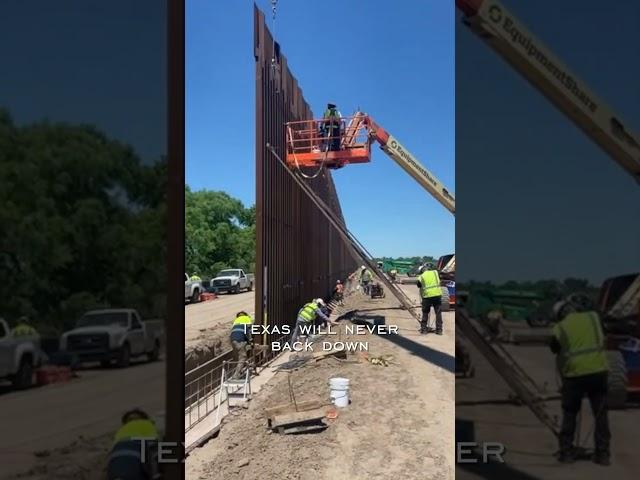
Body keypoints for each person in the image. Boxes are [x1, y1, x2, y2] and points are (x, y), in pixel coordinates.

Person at [550, 296, 610, 465]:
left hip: (574, 375)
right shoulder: (593, 317)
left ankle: (567, 453)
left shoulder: (559, 327)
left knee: (570, 414)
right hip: (598, 372)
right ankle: (603, 454)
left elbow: (554, 348)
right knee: (600, 414)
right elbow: (603, 333)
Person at [107, 408, 160, 480]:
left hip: (118, 458)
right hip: (133, 454)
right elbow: (153, 444)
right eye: (131, 419)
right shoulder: (147, 424)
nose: (134, 420)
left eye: (135, 418)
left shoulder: (120, 431)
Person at [417, 264, 443, 335]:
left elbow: (418, 285)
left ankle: (424, 329)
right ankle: (439, 330)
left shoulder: (421, 276)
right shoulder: (435, 272)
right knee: (438, 313)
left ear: (422, 271)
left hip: (427, 296)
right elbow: (440, 277)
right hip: (437, 295)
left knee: (425, 313)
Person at [230, 311, 253, 379]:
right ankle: (236, 375)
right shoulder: (247, 319)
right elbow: (249, 331)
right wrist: (250, 341)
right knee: (243, 357)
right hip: (240, 339)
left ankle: (235, 372)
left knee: (237, 357)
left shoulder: (236, 320)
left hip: (233, 339)